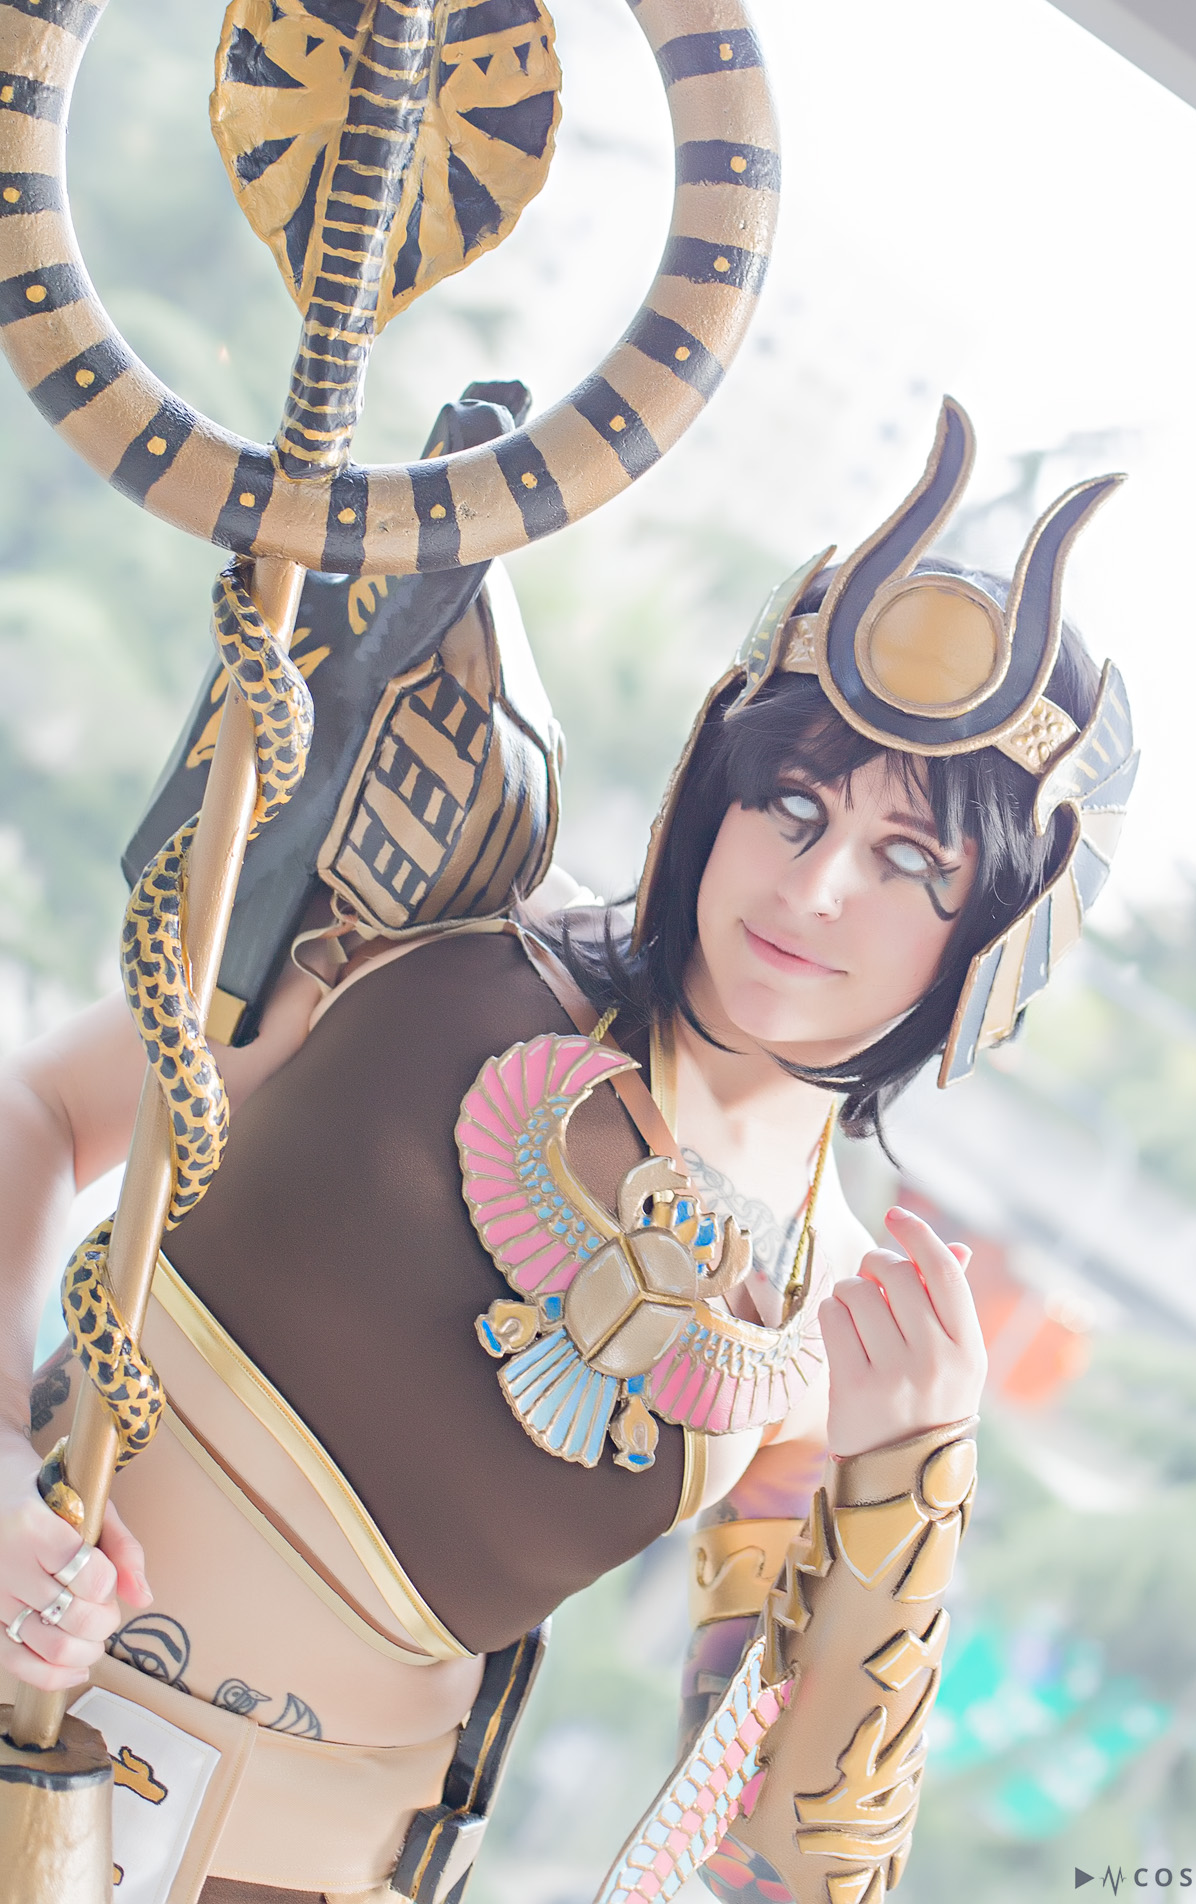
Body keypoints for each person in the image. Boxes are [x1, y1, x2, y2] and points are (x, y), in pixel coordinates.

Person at [0, 402, 1134, 1904]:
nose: (816, 888)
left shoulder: (831, 1336)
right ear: (715, 792)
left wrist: (907, 1478)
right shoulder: (431, 930)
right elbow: (40, 1112)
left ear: (995, 938)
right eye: (794, 804)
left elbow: (776, 1868)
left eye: (911, 860)